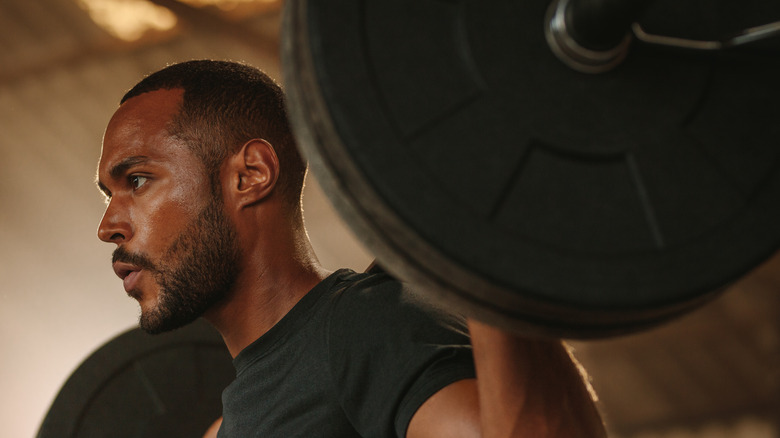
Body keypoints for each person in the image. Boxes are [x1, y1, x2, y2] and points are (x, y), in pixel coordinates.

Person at [96, 60, 605, 438]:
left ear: (249, 175)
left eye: (137, 181)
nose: (108, 226)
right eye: (107, 195)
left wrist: (478, 250)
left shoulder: (364, 328)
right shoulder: (234, 420)